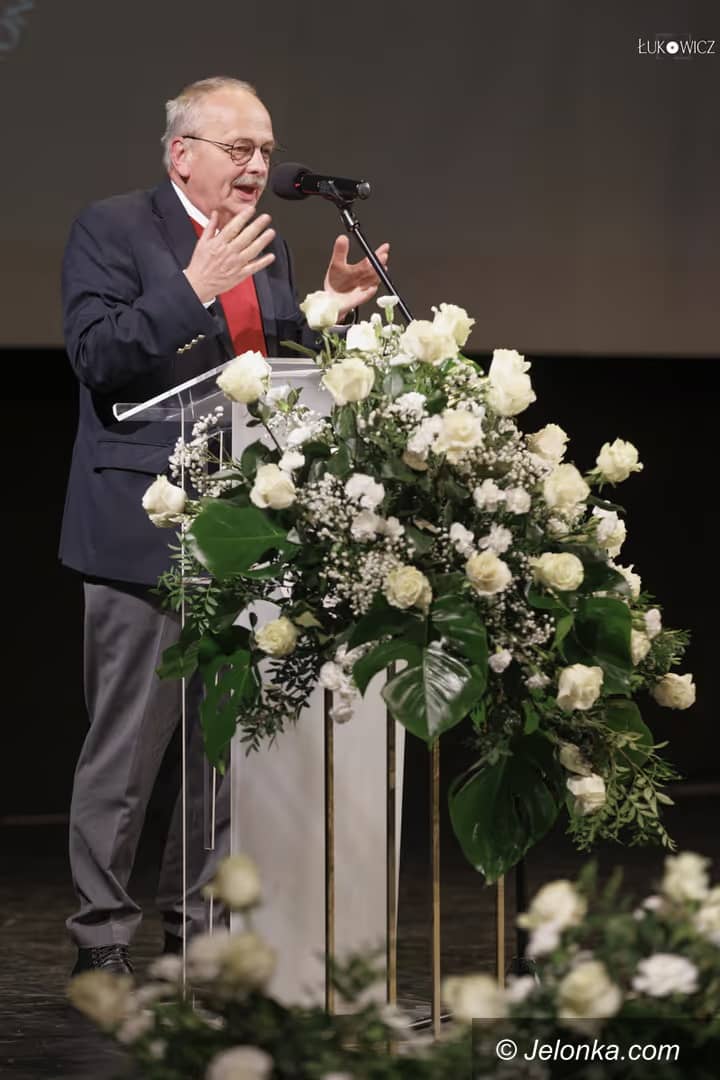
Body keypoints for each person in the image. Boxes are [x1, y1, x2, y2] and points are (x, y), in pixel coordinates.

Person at [60, 76, 389, 975]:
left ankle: (201, 927)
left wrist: (328, 313)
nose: (256, 166)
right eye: (239, 148)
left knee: (225, 748)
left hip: (246, 527)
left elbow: (273, 375)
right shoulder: (113, 228)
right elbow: (96, 355)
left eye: (266, 151)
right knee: (127, 753)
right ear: (182, 154)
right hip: (143, 528)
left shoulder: (263, 246)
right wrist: (192, 288)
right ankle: (101, 938)